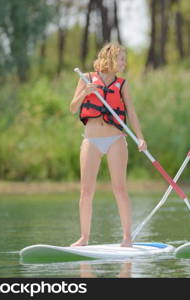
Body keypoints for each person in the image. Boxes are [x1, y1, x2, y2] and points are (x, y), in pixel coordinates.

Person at [69, 43, 147, 247]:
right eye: (121, 58)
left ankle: (127, 238)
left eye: (124, 59)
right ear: (110, 58)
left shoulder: (122, 84)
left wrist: (140, 137)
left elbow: (131, 112)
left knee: (120, 188)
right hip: (91, 140)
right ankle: (84, 238)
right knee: (86, 191)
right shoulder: (86, 78)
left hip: (115, 140)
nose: (124, 63)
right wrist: (85, 92)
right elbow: (72, 108)